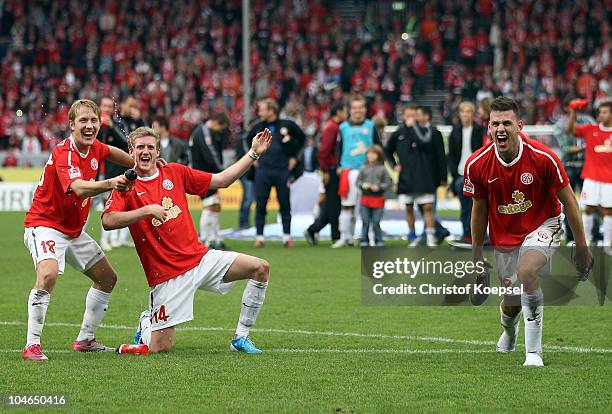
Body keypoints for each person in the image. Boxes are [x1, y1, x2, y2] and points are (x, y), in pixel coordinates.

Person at [102, 127, 273, 354]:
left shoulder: (174, 172)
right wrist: (146, 211)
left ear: (157, 150)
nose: (145, 151)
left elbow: (221, 180)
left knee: (260, 267)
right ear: (131, 151)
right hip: (166, 275)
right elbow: (108, 220)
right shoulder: (124, 185)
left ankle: (240, 338)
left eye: (150, 147)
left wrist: (253, 153)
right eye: (140, 147)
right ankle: (146, 321)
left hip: (200, 259)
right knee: (159, 349)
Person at [464, 97, 593, 367]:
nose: (501, 128)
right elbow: (479, 211)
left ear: (519, 125)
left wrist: (581, 247)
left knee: (526, 272)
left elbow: (570, 202)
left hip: (543, 223)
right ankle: (510, 331)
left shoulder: (544, 158)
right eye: (495, 123)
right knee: (511, 303)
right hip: (505, 236)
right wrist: (476, 254)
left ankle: (533, 352)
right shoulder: (476, 165)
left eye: (507, 123)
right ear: (488, 128)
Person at [22, 99, 135, 361]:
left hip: (73, 230)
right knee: (48, 275)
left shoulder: (95, 147)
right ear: (71, 125)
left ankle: (85, 339)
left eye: (93, 120)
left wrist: (141, 162)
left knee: (107, 278)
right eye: (83, 121)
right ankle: (32, 345)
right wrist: (111, 182)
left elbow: (112, 152)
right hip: (45, 225)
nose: (89, 125)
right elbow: (79, 187)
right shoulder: (65, 152)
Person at [246, 98, 306, 247]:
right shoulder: (257, 127)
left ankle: (287, 237)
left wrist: (295, 158)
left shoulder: (288, 125)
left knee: (285, 204)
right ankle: (259, 237)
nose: (259, 112)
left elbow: (303, 140)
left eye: (262, 109)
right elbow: (245, 141)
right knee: (260, 204)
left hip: (282, 170)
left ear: (271, 111)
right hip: (263, 171)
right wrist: (252, 158)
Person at [386, 104, 446, 247]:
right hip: (406, 177)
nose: (411, 118)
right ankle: (412, 235)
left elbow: (439, 156)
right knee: (408, 207)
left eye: (414, 115)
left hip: (425, 177)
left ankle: (430, 236)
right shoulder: (399, 133)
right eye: (408, 115)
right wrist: (394, 164)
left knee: (427, 207)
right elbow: (387, 150)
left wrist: (442, 176)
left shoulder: (427, 133)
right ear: (403, 116)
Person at [333, 94, 381, 248]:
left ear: (365, 109)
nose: (357, 111)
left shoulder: (370, 126)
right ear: (350, 110)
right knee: (347, 205)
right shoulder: (343, 127)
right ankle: (344, 236)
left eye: (360, 107)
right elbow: (338, 149)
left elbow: (379, 147)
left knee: (370, 207)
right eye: (354, 108)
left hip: (368, 171)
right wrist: (339, 165)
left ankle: (370, 237)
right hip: (349, 171)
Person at [567, 100, 612, 254]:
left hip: (609, 180)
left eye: (605, 112)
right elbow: (571, 130)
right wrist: (573, 111)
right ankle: (585, 243)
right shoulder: (590, 129)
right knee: (589, 209)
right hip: (591, 178)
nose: (601, 115)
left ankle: (607, 244)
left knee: (608, 211)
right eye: (600, 112)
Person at [553, 97, 597, 243]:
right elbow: (566, 149)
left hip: (587, 166)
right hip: (570, 166)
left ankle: (595, 235)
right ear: (566, 107)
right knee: (569, 203)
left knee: (593, 201)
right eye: (572, 106)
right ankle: (571, 238)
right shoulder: (560, 125)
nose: (577, 108)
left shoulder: (589, 120)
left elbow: (596, 137)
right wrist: (586, 147)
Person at [304, 103, 347, 245]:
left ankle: (314, 229)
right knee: (333, 204)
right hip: (332, 169)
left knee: (332, 205)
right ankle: (334, 235)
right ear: (339, 112)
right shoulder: (332, 128)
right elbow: (324, 151)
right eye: (344, 111)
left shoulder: (334, 127)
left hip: (333, 169)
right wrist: (326, 170)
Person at [189, 113, 230, 249]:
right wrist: (222, 171)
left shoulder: (202, 131)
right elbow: (211, 155)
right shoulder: (203, 134)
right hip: (203, 176)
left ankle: (214, 237)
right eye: (221, 128)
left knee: (215, 205)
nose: (220, 131)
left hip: (207, 175)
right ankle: (205, 240)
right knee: (210, 205)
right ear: (216, 122)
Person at [447, 101, 485, 243]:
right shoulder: (455, 130)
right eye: (463, 112)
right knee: (464, 208)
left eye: (468, 111)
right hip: (460, 174)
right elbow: (451, 154)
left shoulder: (479, 130)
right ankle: (466, 234)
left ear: (472, 114)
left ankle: (480, 235)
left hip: (476, 175)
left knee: (479, 207)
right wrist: (453, 173)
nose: (465, 114)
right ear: (460, 114)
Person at [357, 145, 392, 247]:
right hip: (365, 198)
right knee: (365, 221)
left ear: (378, 156)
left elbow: (388, 183)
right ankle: (364, 240)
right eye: (369, 154)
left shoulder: (382, 169)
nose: (371, 156)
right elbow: (358, 182)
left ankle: (379, 240)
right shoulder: (363, 168)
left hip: (378, 199)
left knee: (376, 221)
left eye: (374, 154)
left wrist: (379, 187)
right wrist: (364, 185)